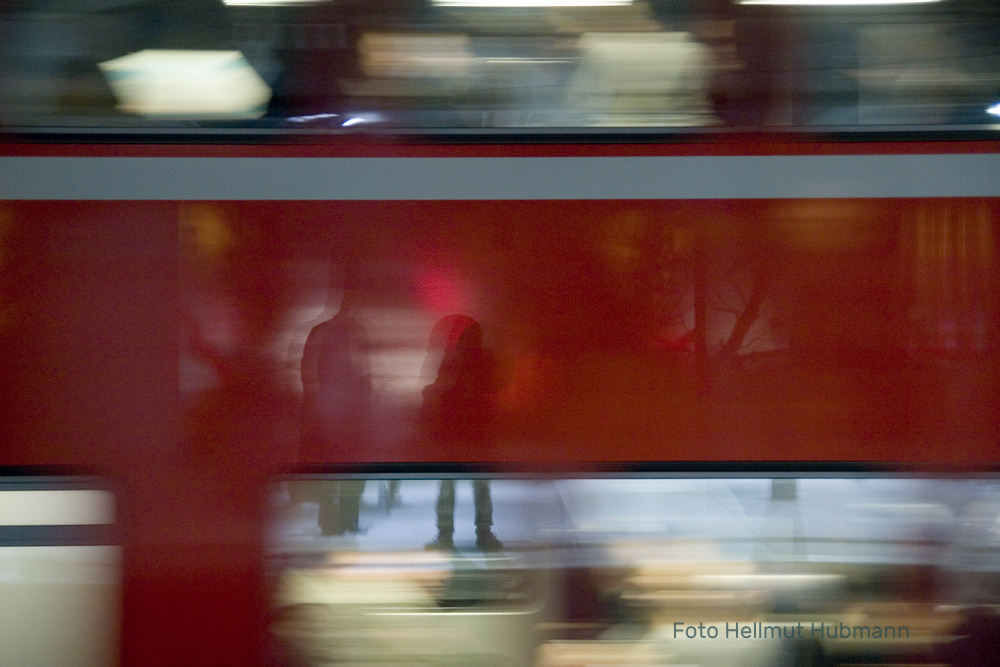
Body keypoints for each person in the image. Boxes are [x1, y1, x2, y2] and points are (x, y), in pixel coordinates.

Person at [421, 315, 503, 552]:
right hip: (477, 431)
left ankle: (445, 535)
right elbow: (494, 390)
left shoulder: (452, 359)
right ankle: (483, 533)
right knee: (481, 485)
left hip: (453, 432)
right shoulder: (486, 359)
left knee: (448, 484)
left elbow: (440, 390)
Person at [300, 269, 370, 535]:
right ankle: (345, 520)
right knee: (348, 464)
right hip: (343, 410)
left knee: (332, 464)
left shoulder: (323, 331)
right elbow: (364, 374)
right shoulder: (353, 332)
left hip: (333, 409)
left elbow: (308, 372)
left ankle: (331, 521)